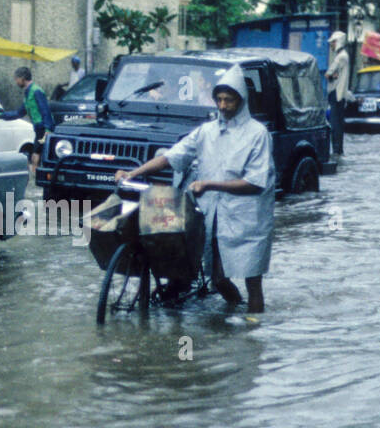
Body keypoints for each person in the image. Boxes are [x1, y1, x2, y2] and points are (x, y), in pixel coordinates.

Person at [115, 64, 275, 320]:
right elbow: (171, 156)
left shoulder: (258, 134)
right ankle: (235, 313)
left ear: (241, 101)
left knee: (252, 280)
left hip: (248, 218)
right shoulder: (206, 132)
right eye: (219, 100)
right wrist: (133, 174)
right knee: (219, 279)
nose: (223, 106)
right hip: (213, 214)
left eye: (229, 100)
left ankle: (253, 331)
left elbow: (256, 182)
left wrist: (209, 184)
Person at [0, 66, 55, 175]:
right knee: (37, 151)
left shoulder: (36, 91)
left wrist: (48, 129)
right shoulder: (28, 93)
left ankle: (35, 175)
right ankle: (36, 174)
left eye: (16, 79)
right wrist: (0, 114)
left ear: (23, 78)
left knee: (37, 152)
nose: (16, 82)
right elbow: (19, 113)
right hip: (39, 128)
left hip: (43, 128)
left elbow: (45, 110)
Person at [325, 31, 349, 156]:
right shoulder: (344, 56)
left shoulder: (340, 57)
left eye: (333, 42)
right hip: (340, 94)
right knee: (338, 125)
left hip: (336, 94)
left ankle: (336, 152)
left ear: (338, 42)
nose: (331, 45)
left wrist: (331, 76)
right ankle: (338, 151)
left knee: (335, 126)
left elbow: (328, 74)